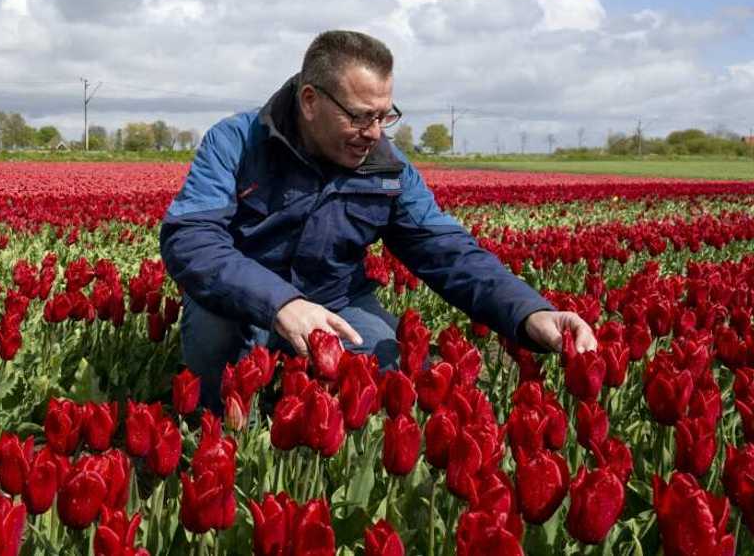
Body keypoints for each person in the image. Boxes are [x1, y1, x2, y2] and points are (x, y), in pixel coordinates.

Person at [159, 29, 597, 412]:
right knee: (218, 356)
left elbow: (446, 249)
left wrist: (530, 313)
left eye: (384, 115)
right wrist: (281, 304)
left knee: (406, 383)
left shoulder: (386, 166)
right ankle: (222, 424)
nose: (374, 131)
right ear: (310, 101)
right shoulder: (236, 142)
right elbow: (192, 239)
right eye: (359, 115)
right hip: (244, 303)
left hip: (337, 304)